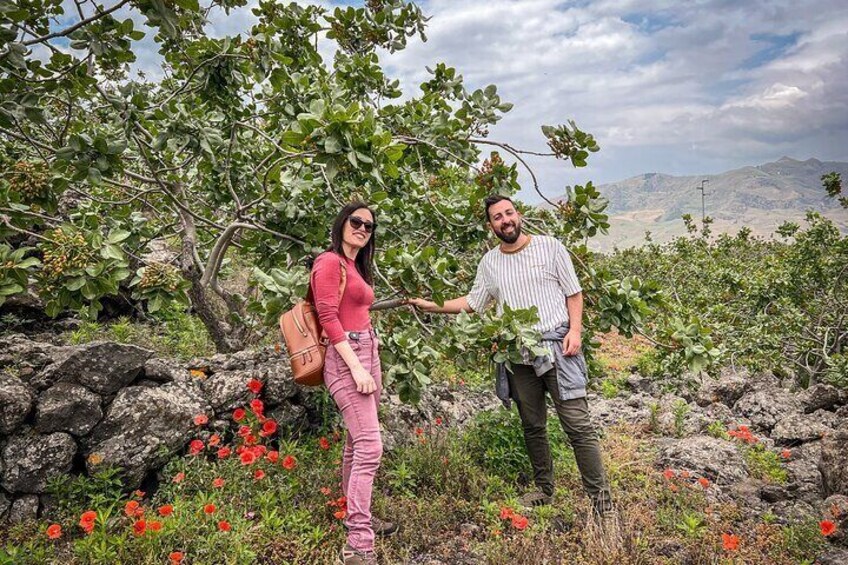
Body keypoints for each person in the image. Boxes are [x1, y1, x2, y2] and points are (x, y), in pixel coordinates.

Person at [409, 195, 614, 518]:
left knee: (578, 426)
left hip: (558, 348)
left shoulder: (550, 247)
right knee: (532, 424)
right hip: (518, 355)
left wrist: (576, 331)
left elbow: (573, 292)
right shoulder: (490, 262)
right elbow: (474, 302)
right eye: (497, 217)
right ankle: (544, 490)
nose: (505, 220)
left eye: (508, 213)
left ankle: (602, 504)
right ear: (490, 226)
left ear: (518, 214)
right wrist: (429, 304)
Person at [311, 201, 396, 565]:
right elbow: (328, 317)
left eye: (369, 226)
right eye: (356, 221)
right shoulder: (328, 261)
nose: (362, 228)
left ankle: (355, 513)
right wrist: (357, 369)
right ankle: (358, 543)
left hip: (368, 351)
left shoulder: (354, 265)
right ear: (342, 223)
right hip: (348, 356)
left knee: (353, 443)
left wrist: (369, 363)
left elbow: (357, 310)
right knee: (370, 447)